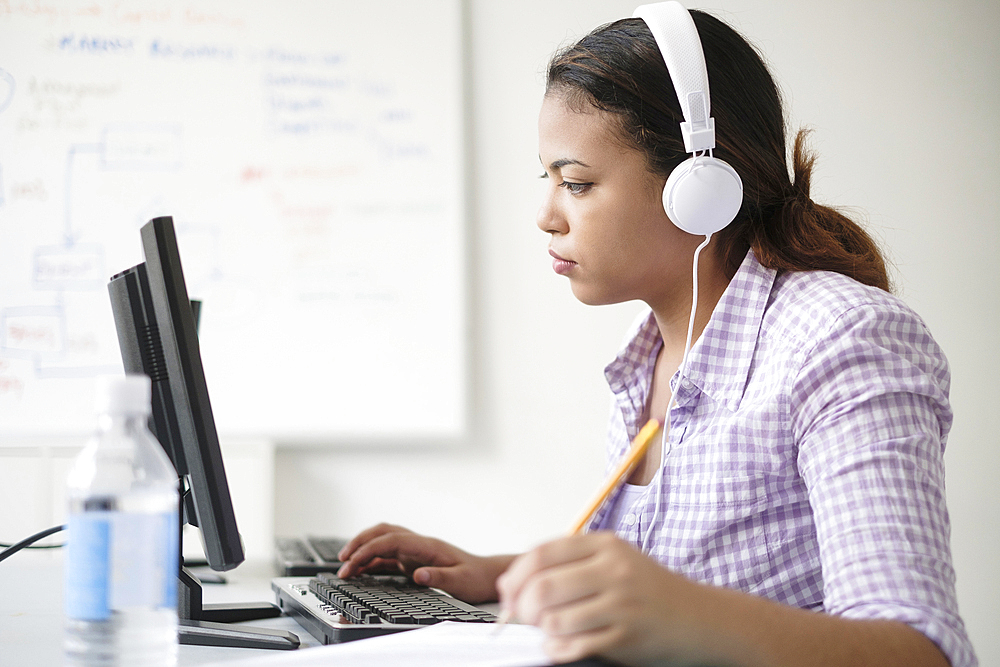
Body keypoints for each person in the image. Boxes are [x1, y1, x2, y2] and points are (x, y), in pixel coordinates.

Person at [335, 4, 977, 666]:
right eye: (548, 178)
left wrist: (681, 611)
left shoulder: (842, 339)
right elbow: (677, 573)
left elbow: (919, 650)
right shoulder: (646, 355)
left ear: (699, 188)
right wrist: (499, 574)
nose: (546, 216)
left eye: (577, 183)